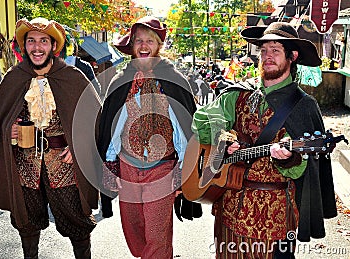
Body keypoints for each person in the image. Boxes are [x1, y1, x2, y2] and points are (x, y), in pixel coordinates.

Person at [189, 22, 337, 258]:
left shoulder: (304, 106)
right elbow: (201, 121)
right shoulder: (238, 95)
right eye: (264, 50)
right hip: (230, 210)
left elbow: (306, 169)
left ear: (292, 56)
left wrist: (289, 159)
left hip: (276, 217)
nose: (267, 56)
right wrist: (221, 137)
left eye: (275, 50)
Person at [0, 17, 101, 258]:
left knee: (77, 223)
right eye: (31, 41)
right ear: (24, 46)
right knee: (27, 223)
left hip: (63, 166)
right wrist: (8, 131)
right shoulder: (14, 77)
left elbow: (95, 118)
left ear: (53, 46)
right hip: (26, 165)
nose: (37, 47)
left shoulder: (72, 77)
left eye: (44, 41)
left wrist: (79, 147)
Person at [97, 16, 202, 259]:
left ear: (158, 46)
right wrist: (110, 166)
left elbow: (185, 129)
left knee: (157, 237)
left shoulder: (175, 80)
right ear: (132, 46)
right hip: (127, 168)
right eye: (139, 41)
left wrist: (184, 172)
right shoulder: (120, 81)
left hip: (162, 169)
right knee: (134, 233)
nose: (144, 46)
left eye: (150, 41)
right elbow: (111, 128)